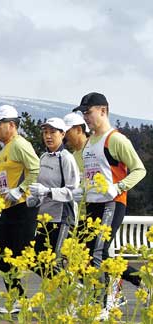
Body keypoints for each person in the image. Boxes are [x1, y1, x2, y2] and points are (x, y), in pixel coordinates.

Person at [71, 92, 147, 317]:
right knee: (85, 252)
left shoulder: (115, 139)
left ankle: (102, 304)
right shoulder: (88, 143)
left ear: (103, 111)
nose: (85, 117)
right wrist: (80, 191)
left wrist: (119, 186)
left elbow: (140, 169)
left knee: (97, 252)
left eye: (89, 112)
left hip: (112, 203)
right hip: (93, 205)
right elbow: (91, 176)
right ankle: (142, 282)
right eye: (83, 112)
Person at [0, 104, 40, 314]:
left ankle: (67, 283)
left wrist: (21, 190)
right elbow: (8, 182)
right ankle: (19, 300)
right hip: (9, 207)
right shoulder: (6, 148)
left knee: (24, 255)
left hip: (23, 207)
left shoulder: (20, 144)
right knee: (2, 255)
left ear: (12, 125)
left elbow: (35, 170)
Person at [26, 118, 79, 278]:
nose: (48, 136)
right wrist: (34, 198)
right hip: (44, 218)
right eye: (45, 132)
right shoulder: (43, 157)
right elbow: (41, 186)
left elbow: (74, 191)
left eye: (53, 132)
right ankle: (70, 290)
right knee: (33, 259)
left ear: (63, 134)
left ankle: (73, 291)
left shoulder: (66, 158)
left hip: (62, 218)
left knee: (53, 262)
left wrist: (47, 192)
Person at [63, 112, 90, 177]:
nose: (64, 135)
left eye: (67, 132)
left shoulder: (95, 150)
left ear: (79, 130)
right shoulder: (73, 156)